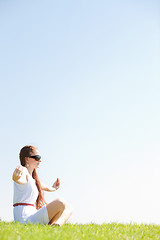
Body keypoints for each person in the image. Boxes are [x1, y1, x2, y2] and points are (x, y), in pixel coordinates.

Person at [12, 145, 72, 225]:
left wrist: (54, 188)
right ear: (27, 159)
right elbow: (19, 179)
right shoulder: (23, 171)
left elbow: (43, 186)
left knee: (68, 208)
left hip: (32, 213)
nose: (40, 161)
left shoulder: (33, 179)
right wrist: (16, 177)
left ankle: (55, 226)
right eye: (37, 158)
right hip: (24, 218)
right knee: (60, 202)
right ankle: (52, 226)